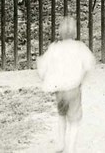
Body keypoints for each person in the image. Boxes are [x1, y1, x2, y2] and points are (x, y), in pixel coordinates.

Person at [36, 16, 96, 153]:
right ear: (75, 32)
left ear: (60, 32)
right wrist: (81, 79)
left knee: (61, 115)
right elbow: (89, 64)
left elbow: (42, 66)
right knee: (74, 120)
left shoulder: (54, 48)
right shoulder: (80, 47)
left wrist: (45, 79)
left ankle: (60, 143)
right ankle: (71, 148)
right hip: (73, 88)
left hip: (59, 90)